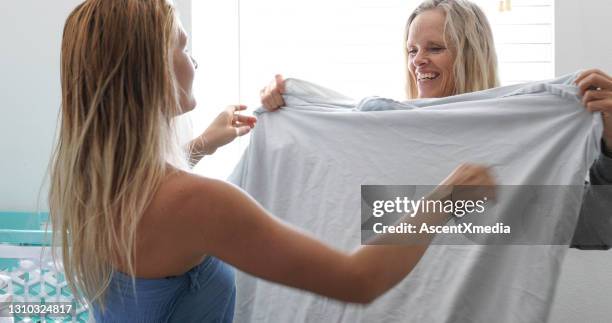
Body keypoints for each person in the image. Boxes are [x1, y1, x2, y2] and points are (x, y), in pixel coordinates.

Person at [48, 1, 496, 322]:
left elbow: (154, 198)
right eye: (182, 47)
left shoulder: (87, 187)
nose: (195, 60)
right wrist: (445, 199)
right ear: (151, 69)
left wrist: (203, 143)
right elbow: (357, 280)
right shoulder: (199, 204)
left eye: (434, 48)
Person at [260, 0, 612, 249]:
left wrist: (610, 140)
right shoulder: (382, 130)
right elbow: (323, 204)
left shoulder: (515, 143)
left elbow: (596, 226)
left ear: (471, 53)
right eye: (411, 50)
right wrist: (290, 111)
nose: (418, 61)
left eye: (434, 47)